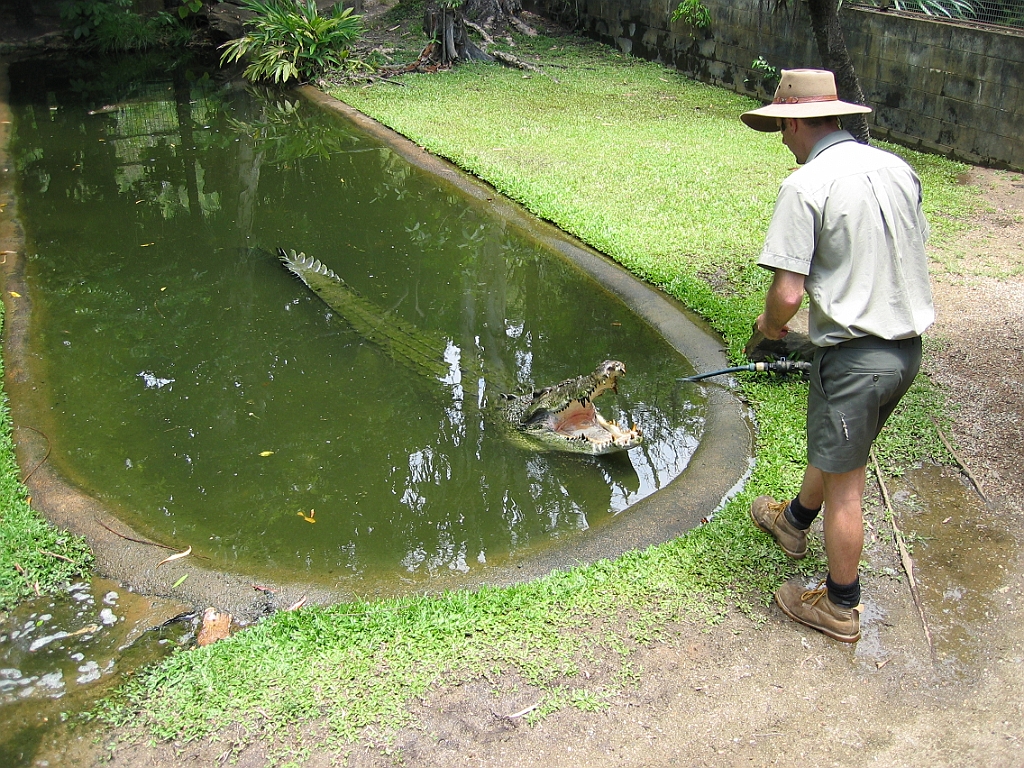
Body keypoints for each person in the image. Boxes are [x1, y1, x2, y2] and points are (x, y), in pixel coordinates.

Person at [740, 69, 935, 643]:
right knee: (839, 448)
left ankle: (840, 606)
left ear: (796, 121)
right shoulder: (897, 168)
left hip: (853, 359)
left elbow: (788, 292)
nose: (782, 138)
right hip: (905, 353)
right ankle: (793, 521)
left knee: (848, 480)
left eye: (781, 127)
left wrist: (768, 330)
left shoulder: (805, 185)